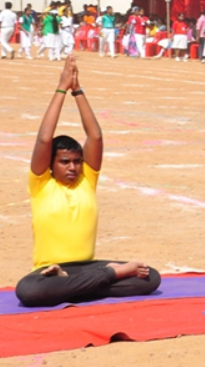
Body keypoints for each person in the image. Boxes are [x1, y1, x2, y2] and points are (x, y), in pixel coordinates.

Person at [15, 57, 162, 307]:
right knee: (28, 291)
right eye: (64, 162)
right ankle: (107, 277)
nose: (72, 167)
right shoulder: (42, 185)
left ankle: (78, 285)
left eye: (77, 161)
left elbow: (95, 136)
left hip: (88, 268)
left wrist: (78, 91)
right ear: (50, 164)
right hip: (51, 270)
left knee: (151, 278)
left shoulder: (86, 181)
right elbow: (44, 140)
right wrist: (62, 88)